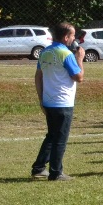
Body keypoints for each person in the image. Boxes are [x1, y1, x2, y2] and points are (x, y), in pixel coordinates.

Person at [31, 22, 85, 181]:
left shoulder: (45, 52)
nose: (74, 38)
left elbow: (38, 76)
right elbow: (79, 77)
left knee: (52, 136)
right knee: (60, 138)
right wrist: (80, 59)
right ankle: (56, 172)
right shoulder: (66, 54)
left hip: (49, 100)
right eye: (73, 35)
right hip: (63, 102)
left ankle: (39, 168)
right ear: (66, 37)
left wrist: (41, 99)